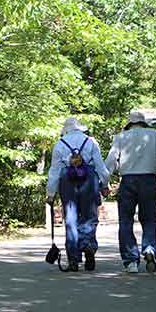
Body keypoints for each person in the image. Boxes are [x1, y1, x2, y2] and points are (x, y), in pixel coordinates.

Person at [105, 110, 156, 273]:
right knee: (149, 219)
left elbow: (111, 161)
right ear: (143, 123)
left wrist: (104, 182)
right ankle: (149, 248)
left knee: (125, 221)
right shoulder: (153, 134)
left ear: (130, 123)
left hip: (127, 181)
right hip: (149, 180)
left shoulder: (120, 137)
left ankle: (130, 261)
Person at [46, 117, 110, 272]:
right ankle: (87, 244)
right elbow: (100, 166)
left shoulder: (60, 144)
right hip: (89, 180)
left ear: (65, 130)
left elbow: (54, 171)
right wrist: (105, 183)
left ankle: (73, 259)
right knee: (89, 217)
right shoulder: (91, 142)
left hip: (67, 182)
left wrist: (51, 193)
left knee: (71, 219)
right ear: (80, 128)